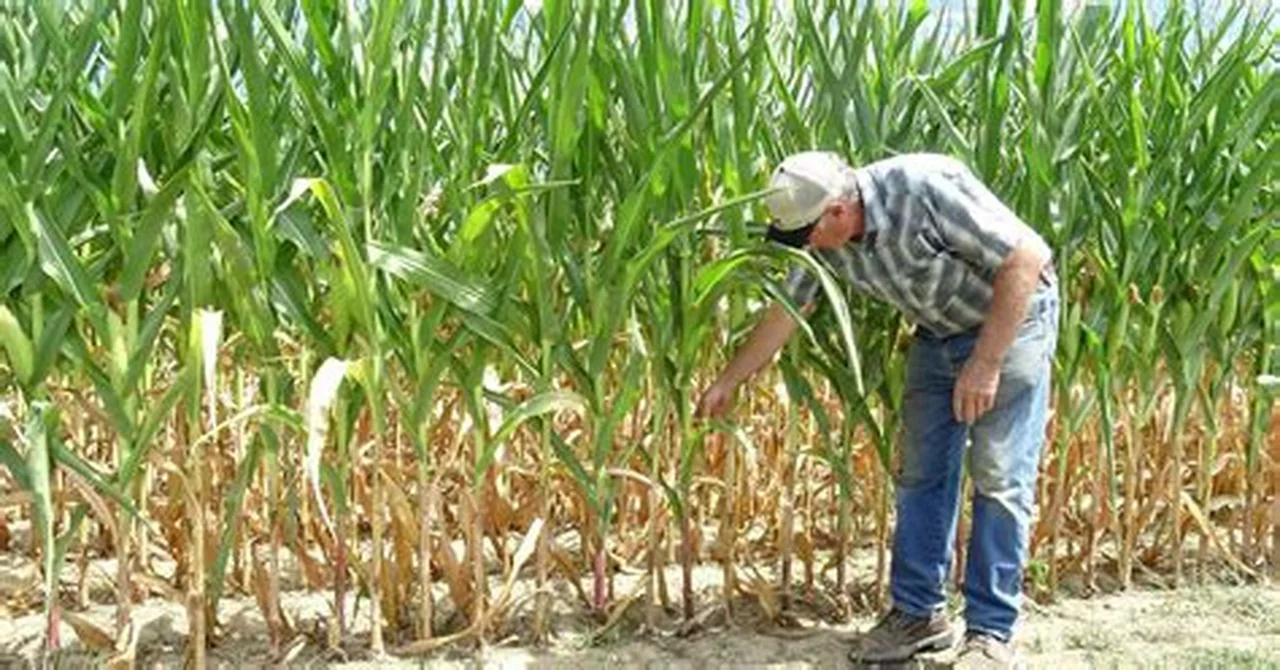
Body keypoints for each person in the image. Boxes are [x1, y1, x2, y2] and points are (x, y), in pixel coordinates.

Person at [696, 151, 1059, 668]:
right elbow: (789, 308)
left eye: (806, 235)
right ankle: (918, 616)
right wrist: (728, 381)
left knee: (999, 477)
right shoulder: (821, 235)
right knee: (920, 473)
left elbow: (1026, 257)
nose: (804, 248)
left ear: (839, 212)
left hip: (1011, 324)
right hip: (939, 332)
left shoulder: (925, 188)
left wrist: (986, 362)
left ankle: (991, 634)